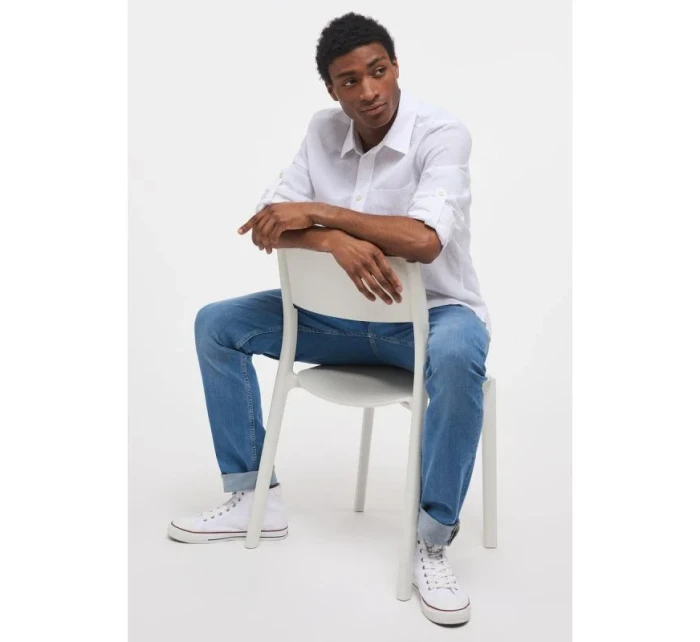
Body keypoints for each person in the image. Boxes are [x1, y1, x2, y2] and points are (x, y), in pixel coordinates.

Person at [167, 12, 490, 627]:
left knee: (458, 356)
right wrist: (332, 241)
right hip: (335, 323)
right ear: (331, 89)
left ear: (396, 67)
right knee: (216, 324)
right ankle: (252, 495)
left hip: (429, 321)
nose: (368, 91)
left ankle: (430, 542)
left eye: (378, 71)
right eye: (349, 81)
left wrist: (324, 214)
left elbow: (423, 241)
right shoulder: (322, 131)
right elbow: (268, 222)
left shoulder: (443, 134)